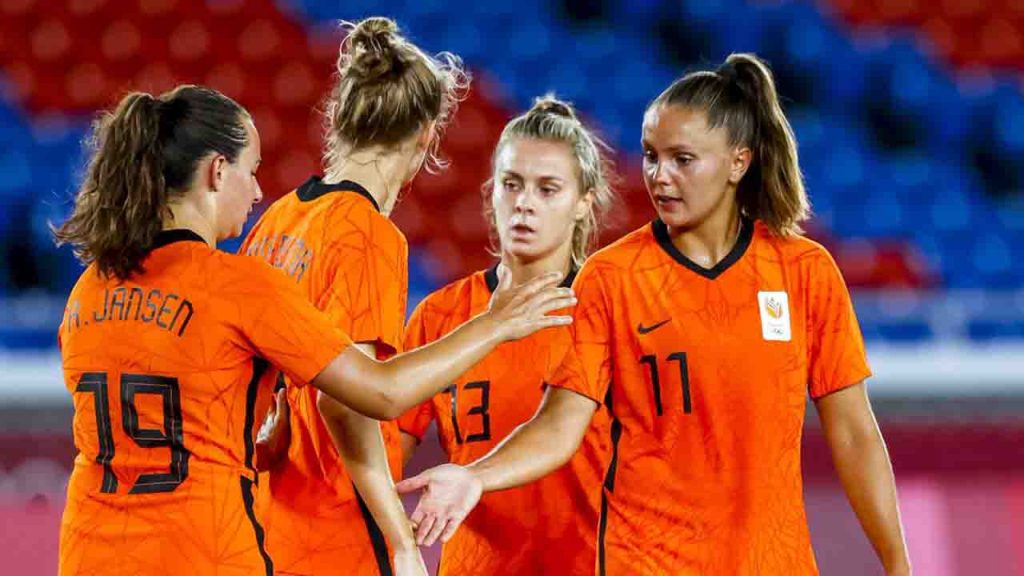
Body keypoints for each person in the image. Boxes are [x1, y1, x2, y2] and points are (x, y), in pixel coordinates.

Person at [397, 53, 912, 576]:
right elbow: (558, 425)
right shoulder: (613, 277)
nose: (659, 177)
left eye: (681, 160)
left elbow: (854, 433)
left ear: (739, 162)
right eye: (650, 156)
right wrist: (475, 477)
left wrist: (897, 563)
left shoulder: (804, 271)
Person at [52, 85, 574, 576]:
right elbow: (381, 393)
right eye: (251, 171)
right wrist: (496, 323)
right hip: (200, 549)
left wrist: (265, 440)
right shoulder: (236, 285)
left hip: (86, 549)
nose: (257, 191)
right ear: (216, 172)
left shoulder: (88, 293)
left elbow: (162, 431)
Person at [239, 16, 470, 576]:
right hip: (336, 523)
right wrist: (402, 540)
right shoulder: (370, 235)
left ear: (340, 120)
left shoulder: (279, 219)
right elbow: (345, 400)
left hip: (266, 519)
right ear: (425, 136)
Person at [397, 95, 615, 575]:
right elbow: (387, 449)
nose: (524, 204)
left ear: (584, 203)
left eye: (547, 189)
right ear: (491, 192)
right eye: (512, 184)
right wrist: (400, 547)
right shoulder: (441, 315)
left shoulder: (612, 311)